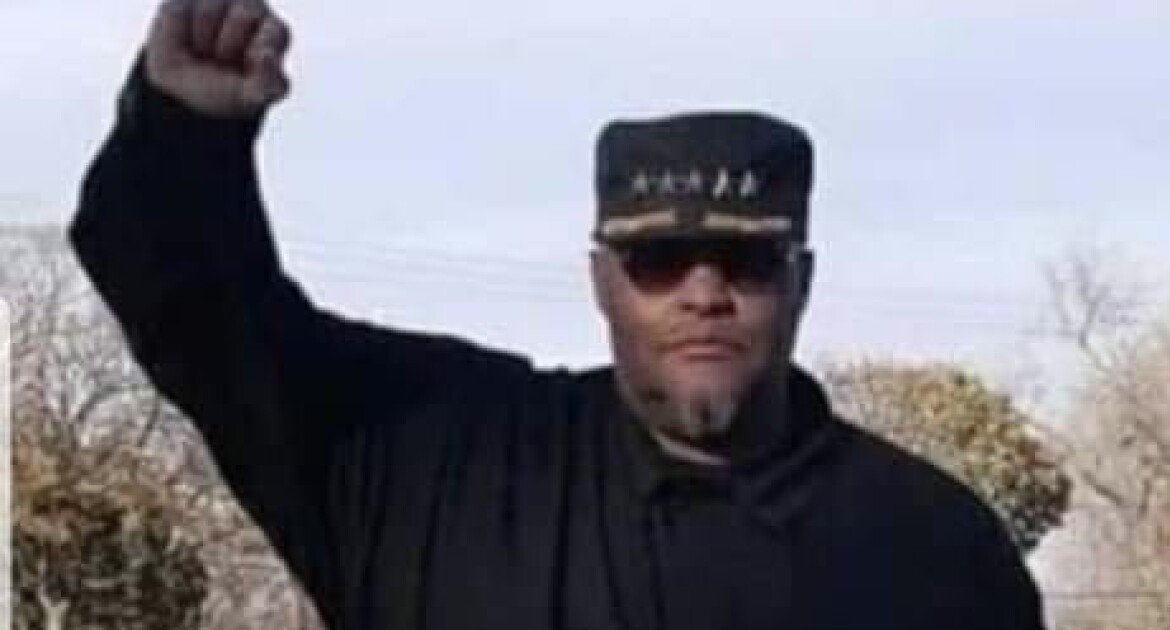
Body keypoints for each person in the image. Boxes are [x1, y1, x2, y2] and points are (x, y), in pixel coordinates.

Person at [69, 0, 1047, 628]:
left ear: (802, 279)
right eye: (659, 259)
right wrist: (182, 129)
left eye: (747, 259)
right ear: (602, 279)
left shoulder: (934, 546)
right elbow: (198, 316)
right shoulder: (432, 466)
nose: (704, 291)